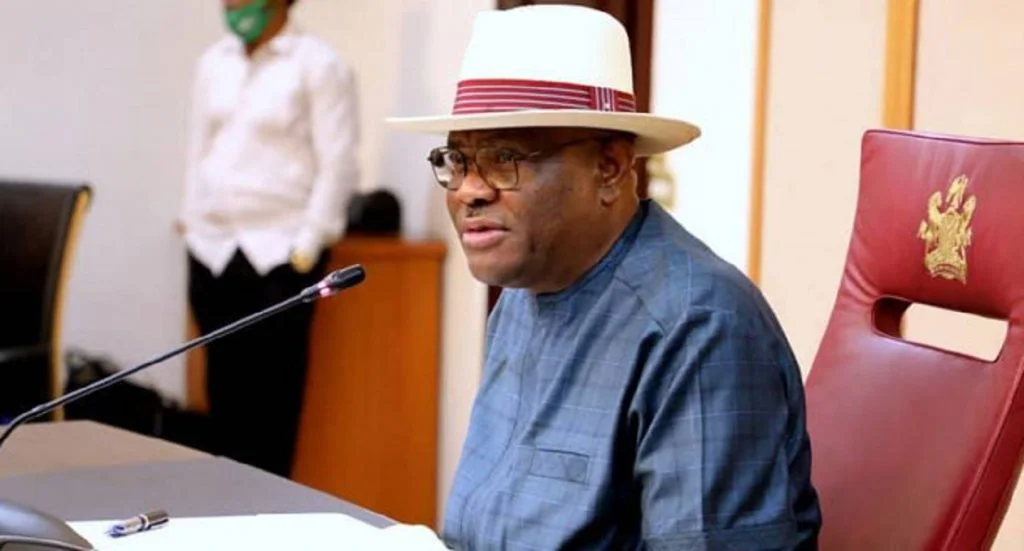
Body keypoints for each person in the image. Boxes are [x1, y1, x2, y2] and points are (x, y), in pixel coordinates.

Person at [388, 5, 821, 549]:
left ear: (611, 168)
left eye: (504, 158)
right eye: (457, 159)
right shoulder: (523, 292)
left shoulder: (698, 328)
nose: (469, 190)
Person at [178, 0, 359, 477]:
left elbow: (338, 162)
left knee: (272, 406)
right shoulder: (213, 62)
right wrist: (192, 225)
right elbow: (198, 150)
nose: (231, 5)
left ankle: (270, 509)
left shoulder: (319, 63)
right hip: (213, 250)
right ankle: (225, 507)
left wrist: (310, 243)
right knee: (221, 400)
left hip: (280, 255)